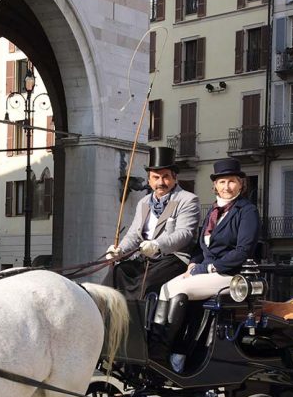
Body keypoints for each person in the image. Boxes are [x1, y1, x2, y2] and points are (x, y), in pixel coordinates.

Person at [151, 158, 259, 369]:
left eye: (231, 182)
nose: (226, 187)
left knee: (177, 288)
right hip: (206, 271)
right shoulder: (213, 212)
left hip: (230, 275)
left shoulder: (247, 211)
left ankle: (174, 353)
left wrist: (208, 268)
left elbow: (243, 251)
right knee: (166, 288)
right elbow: (201, 247)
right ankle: (159, 348)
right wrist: (194, 263)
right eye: (221, 182)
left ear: (241, 184)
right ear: (214, 186)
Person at [105, 146, 200, 299]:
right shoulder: (143, 202)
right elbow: (134, 235)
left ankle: (139, 320)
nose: (161, 182)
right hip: (146, 259)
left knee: (146, 283)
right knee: (117, 273)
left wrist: (157, 245)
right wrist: (120, 251)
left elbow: (184, 234)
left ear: (174, 178)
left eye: (165, 176)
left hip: (173, 258)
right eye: (156, 177)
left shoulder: (187, 199)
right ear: (149, 180)